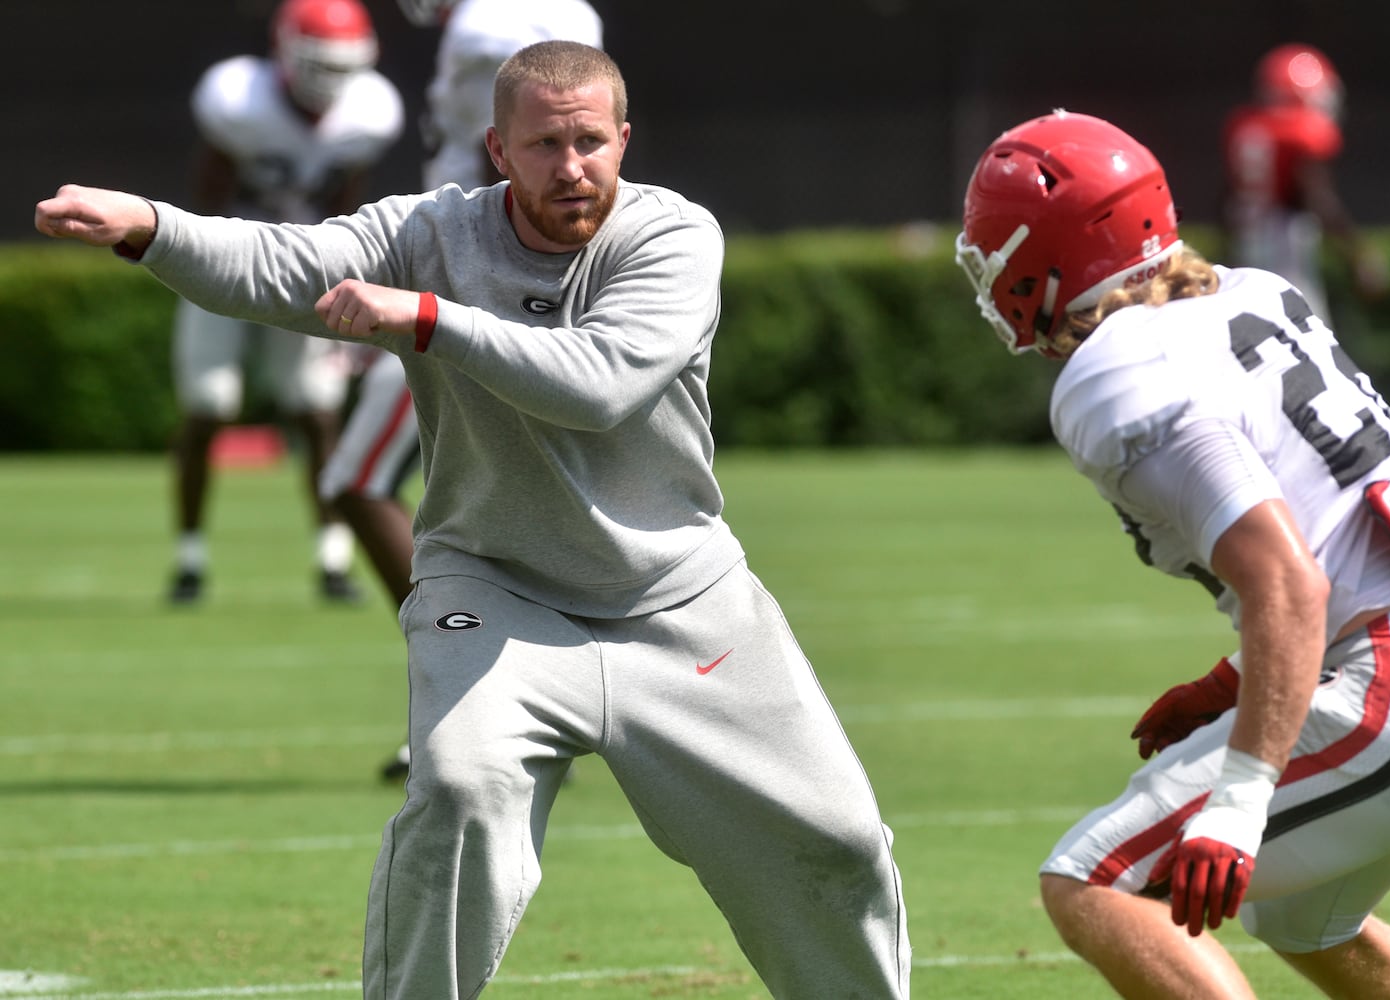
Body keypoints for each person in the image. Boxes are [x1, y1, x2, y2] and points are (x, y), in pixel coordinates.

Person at [37, 40, 911, 1000]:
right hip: (493, 592)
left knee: (837, 843)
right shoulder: (430, 230)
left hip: (680, 602)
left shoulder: (673, 237)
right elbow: (289, 262)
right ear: (497, 149)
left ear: (625, 140)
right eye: (543, 145)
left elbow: (601, 383)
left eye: (589, 141)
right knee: (459, 792)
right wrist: (151, 227)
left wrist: (426, 319)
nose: (569, 167)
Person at [955, 109, 1390, 999]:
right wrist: (1234, 684)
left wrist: (1237, 800)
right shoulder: (1249, 291)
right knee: (1304, 917)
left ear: (1046, 254)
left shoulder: (1115, 373)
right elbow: (1337, 528)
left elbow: (1288, 578)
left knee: (1092, 882)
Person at [321, 0, 606, 782]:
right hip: (466, 287)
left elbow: (532, 150)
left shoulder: (498, 24)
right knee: (499, 509)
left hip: (464, 297)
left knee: (358, 479)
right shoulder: (494, 23)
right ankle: (511, 703)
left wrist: (487, 279)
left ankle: (484, 701)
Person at [166, 0, 404, 604]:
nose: (330, 77)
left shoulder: (367, 114)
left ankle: (332, 559)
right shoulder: (239, 101)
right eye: (319, 62)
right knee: (208, 406)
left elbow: (348, 204)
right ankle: (189, 558)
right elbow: (208, 193)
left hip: (304, 262)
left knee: (316, 408)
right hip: (226, 256)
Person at [1221, 43, 1389, 324]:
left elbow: (1228, 196)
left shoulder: (1245, 127)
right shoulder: (1301, 132)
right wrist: (1357, 254)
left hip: (1247, 240)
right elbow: (1316, 197)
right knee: (1307, 332)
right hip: (1284, 245)